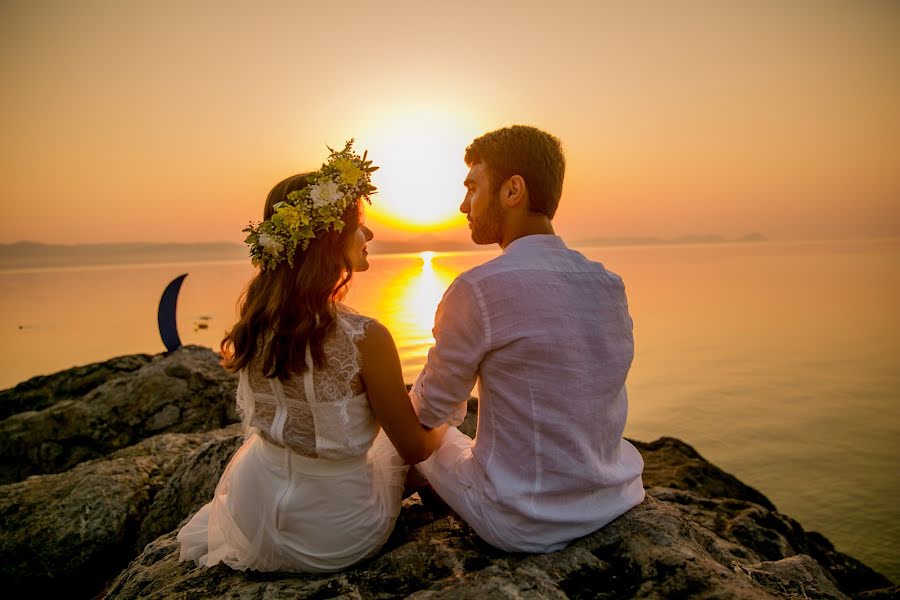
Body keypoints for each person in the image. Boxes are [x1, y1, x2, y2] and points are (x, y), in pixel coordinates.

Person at [177, 140, 447, 573]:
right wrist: (445, 423)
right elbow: (414, 447)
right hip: (334, 535)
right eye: (360, 225)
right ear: (328, 240)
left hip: (254, 513)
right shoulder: (366, 337)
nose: (370, 235)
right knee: (431, 437)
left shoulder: (255, 322)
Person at [409, 125, 645, 553]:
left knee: (422, 435)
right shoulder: (608, 283)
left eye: (472, 187)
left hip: (524, 521)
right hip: (614, 497)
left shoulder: (478, 289)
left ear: (512, 190)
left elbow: (432, 410)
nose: (463, 205)